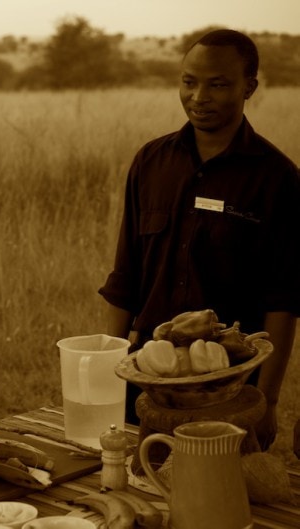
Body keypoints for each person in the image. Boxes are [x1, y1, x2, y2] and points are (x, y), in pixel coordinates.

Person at [99, 29, 300, 450]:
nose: (199, 96)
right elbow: (126, 276)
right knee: (140, 490)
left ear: (250, 87)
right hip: (148, 377)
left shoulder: (277, 178)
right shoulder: (150, 162)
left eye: (218, 84)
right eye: (189, 82)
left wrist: (267, 399)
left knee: (214, 503)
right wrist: (106, 372)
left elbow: (282, 301)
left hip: (229, 385)